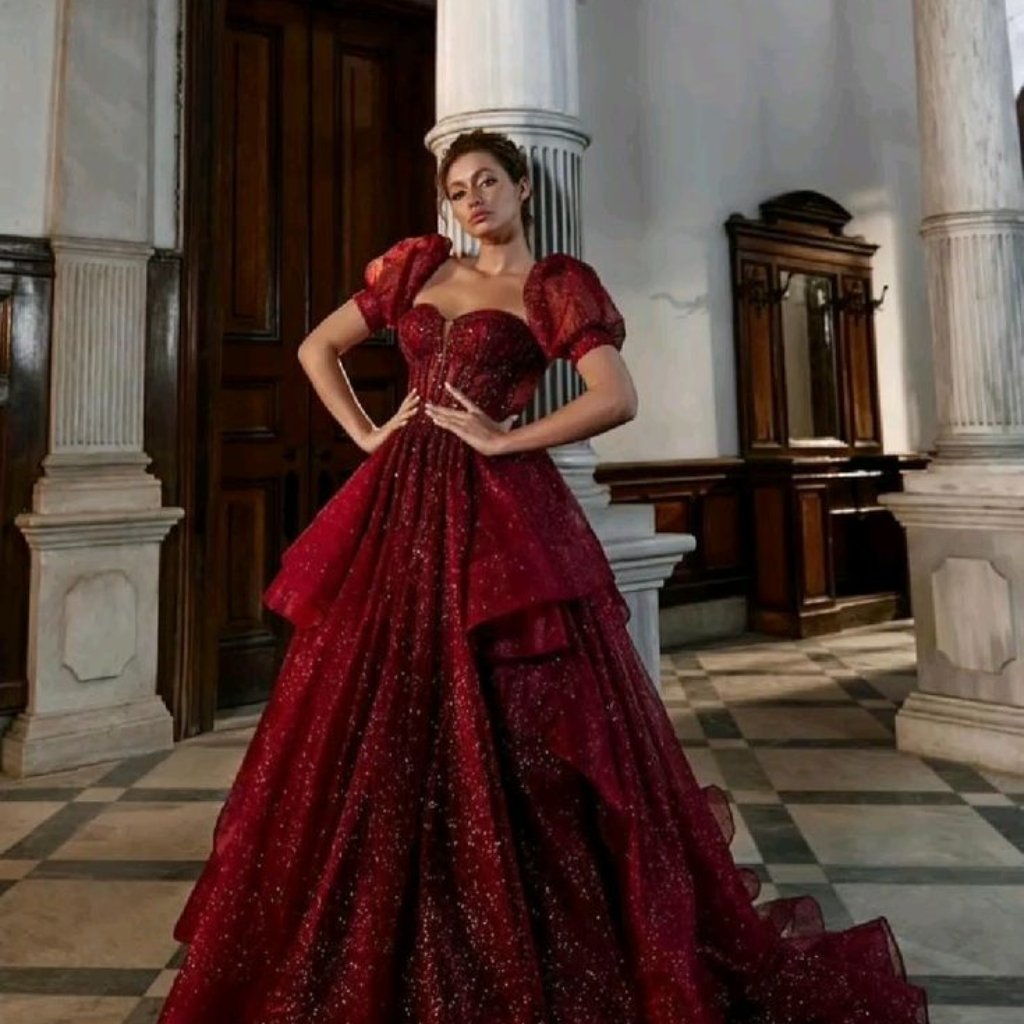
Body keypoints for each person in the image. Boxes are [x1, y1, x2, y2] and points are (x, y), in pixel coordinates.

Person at [158, 129, 928, 1023]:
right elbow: (314, 350)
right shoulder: (416, 269)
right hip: (398, 508)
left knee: (523, 724)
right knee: (366, 716)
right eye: (457, 188)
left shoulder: (551, 287)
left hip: (498, 516)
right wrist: (371, 433)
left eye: (488, 181)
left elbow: (616, 395)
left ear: (523, 189)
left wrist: (503, 437)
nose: (472, 199)